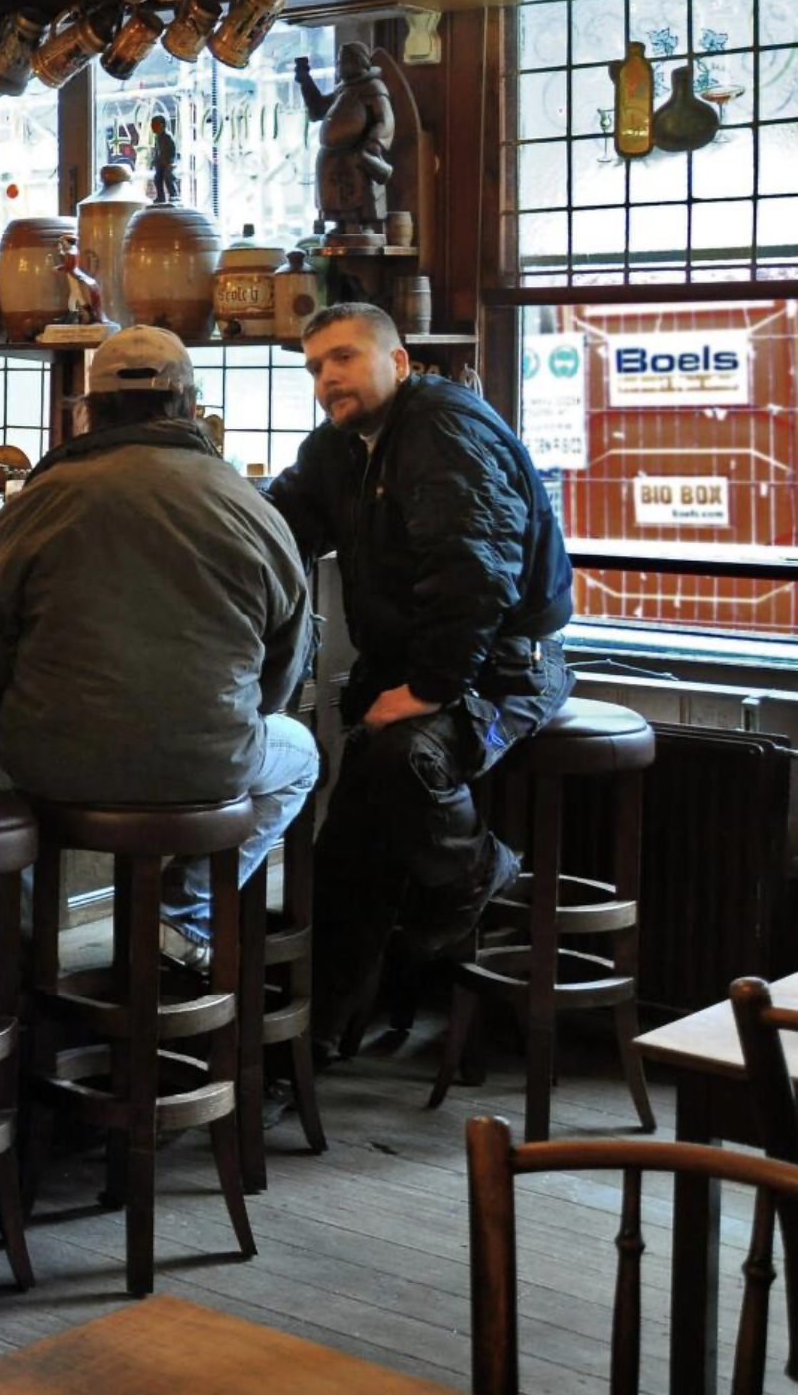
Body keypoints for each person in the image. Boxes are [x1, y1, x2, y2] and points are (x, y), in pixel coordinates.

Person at [0, 326, 316, 967]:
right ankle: (181, 916)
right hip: (210, 762)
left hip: (54, 762)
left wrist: (32, 711)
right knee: (300, 756)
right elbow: (284, 671)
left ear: (88, 409)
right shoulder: (248, 503)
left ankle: (19, 969)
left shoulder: (40, 501)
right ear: (191, 406)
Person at [264, 302, 573, 1050]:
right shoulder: (341, 445)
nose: (327, 379)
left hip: (506, 669)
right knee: (351, 844)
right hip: (421, 663)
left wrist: (429, 689)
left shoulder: (441, 427)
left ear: (398, 362)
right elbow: (281, 519)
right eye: (315, 367)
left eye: (343, 357)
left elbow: (475, 572)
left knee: (404, 762)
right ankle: (318, 1034)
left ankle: (480, 874)